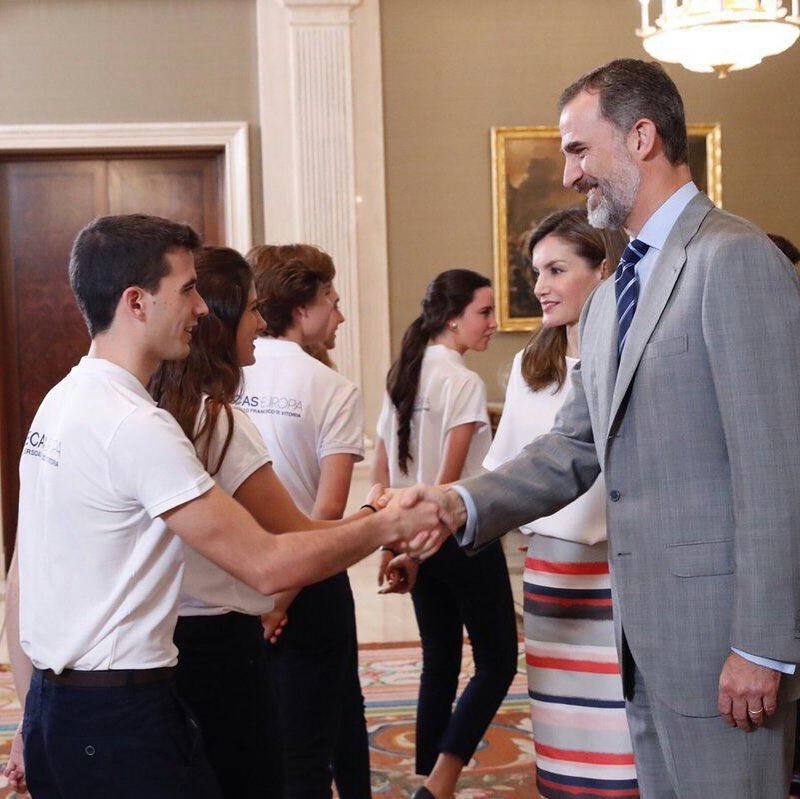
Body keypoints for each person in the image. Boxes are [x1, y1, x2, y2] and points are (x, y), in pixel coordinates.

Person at [394, 59, 800, 798]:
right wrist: (458, 503)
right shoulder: (615, 294)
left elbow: (777, 472)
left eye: (580, 149)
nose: (569, 172)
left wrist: (763, 646)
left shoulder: (735, 260)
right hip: (642, 643)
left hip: (724, 649)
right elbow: (574, 447)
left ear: (642, 137)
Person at [2, 214, 442, 799]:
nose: (202, 309)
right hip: (119, 715)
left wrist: (29, 720)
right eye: (186, 290)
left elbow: (22, 585)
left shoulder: (61, 401)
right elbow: (267, 562)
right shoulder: (137, 425)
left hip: (61, 707)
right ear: (136, 302)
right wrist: (388, 520)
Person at [148, 245, 386, 798]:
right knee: (289, 755)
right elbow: (309, 524)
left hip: (183, 621)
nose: (261, 322)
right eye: (332, 301)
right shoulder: (225, 416)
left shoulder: (154, 404)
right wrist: (382, 519)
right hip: (263, 600)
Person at [485, 208, 637, 798]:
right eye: (535, 272)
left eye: (556, 269)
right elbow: (508, 468)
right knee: (567, 745)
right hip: (553, 577)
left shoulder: (635, 356)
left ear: (603, 270)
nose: (541, 286)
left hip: (624, 576)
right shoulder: (532, 366)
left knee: (626, 750)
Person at [373, 269, 518, 799]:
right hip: (458, 534)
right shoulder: (462, 381)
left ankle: (426, 780)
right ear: (453, 317)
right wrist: (425, 536)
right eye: (484, 312)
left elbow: (383, 475)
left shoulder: (403, 374)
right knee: (498, 661)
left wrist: (400, 546)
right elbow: (448, 484)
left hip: (416, 536)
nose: (492, 324)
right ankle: (441, 781)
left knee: (440, 658)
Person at [240, 244, 371, 799]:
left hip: (240, 571)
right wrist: (283, 600)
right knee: (312, 745)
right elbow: (328, 516)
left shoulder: (229, 374)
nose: (339, 317)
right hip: (307, 585)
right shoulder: (333, 388)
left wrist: (269, 600)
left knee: (288, 722)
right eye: (333, 303)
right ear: (303, 307)